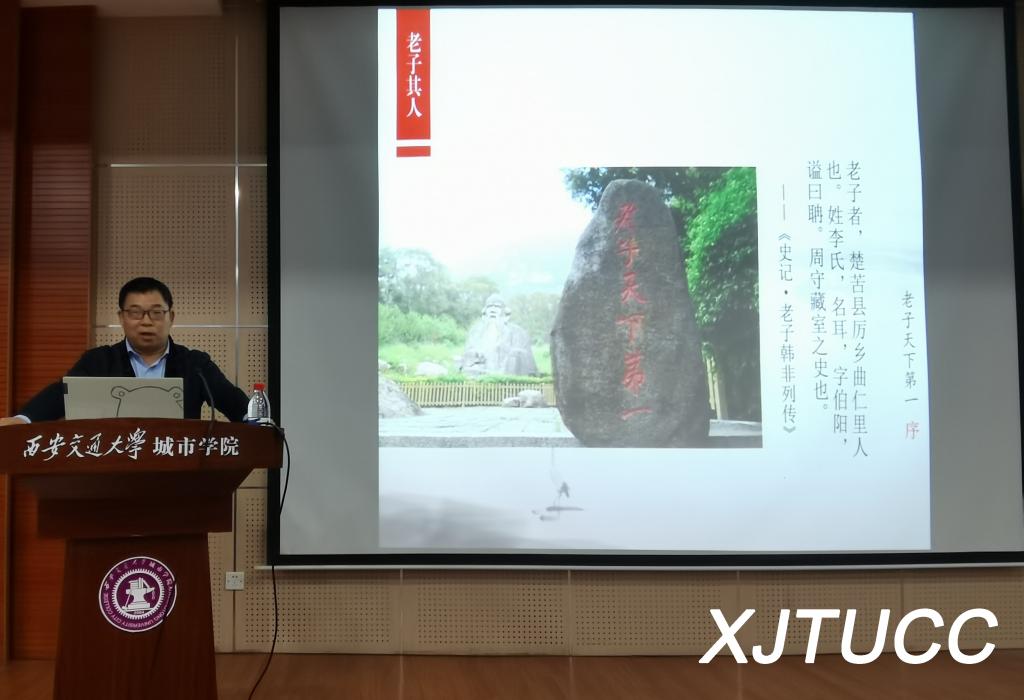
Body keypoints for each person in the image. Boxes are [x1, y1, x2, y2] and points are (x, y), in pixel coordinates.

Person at [0, 277, 249, 425]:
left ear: (171, 317)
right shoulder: (98, 361)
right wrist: (22, 420)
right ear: (121, 317)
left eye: (156, 313)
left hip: (179, 477)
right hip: (113, 474)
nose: (146, 321)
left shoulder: (195, 364)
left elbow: (231, 400)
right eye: (135, 313)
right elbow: (62, 395)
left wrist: (257, 420)